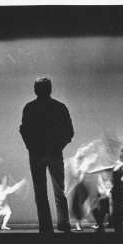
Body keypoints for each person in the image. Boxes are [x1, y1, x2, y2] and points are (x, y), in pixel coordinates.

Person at [19, 77, 74, 234]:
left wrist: (32, 147)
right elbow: (69, 132)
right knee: (60, 190)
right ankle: (64, 224)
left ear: (36, 90)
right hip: (55, 153)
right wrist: (56, 147)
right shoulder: (60, 107)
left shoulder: (29, 108)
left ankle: (46, 227)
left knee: (40, 192)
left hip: (36, 154)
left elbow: (24, 130)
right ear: (50, 89)